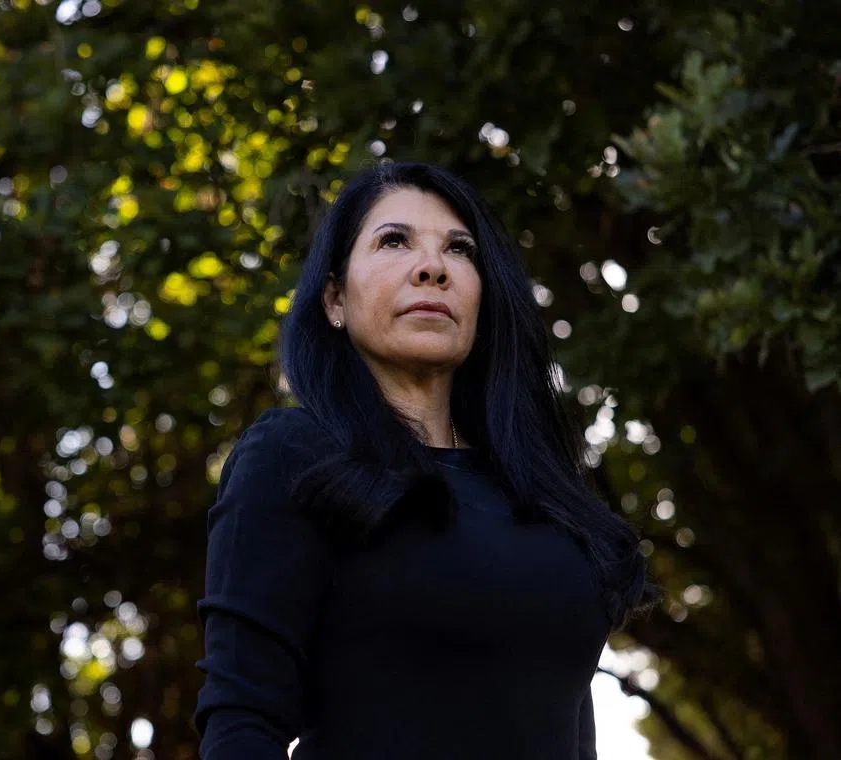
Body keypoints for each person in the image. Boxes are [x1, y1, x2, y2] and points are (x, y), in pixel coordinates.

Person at [192, 161, 658, 759]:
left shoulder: (539, 490)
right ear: (335, 298)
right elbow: (241, 722)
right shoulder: (291, 454)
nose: (433, 267)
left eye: (459, 250)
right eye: (394, 241)